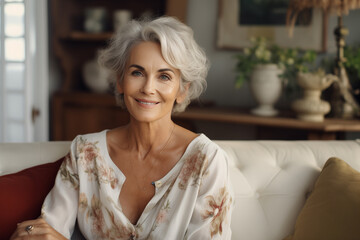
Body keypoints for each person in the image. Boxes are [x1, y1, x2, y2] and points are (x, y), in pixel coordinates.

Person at [11, 16, 233, 240]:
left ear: (182, 91)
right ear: (120, 81)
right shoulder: (86, 152)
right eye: (137, 72)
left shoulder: (207, 160)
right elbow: (48, 231)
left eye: (164, 76)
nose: (148, 88)